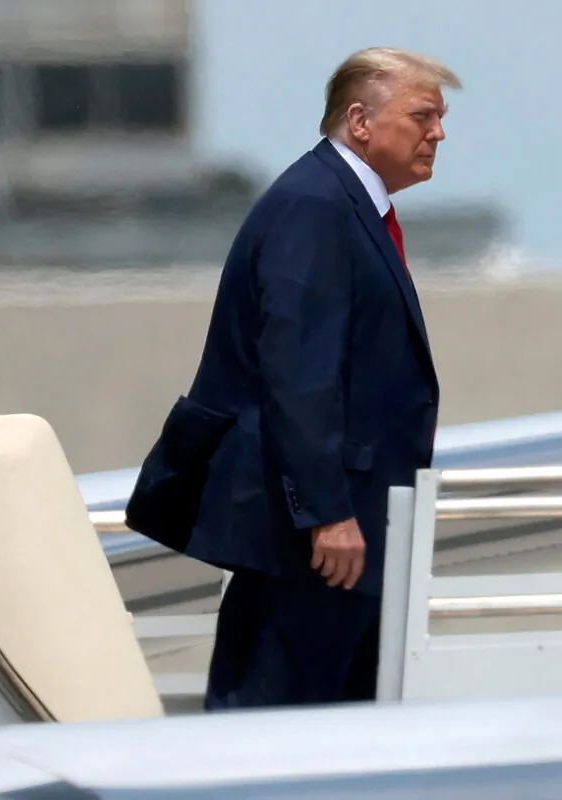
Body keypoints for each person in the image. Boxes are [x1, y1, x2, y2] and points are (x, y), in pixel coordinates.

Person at [125, 47, 460, 708]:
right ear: (360, 122)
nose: (439, 133)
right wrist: (327, 512)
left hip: (349, 533)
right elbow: (298, 375)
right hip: (316, 541)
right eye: (424, 115)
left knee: (340, 735)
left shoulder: (345, 205)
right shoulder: (315, 204)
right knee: (274, 732)